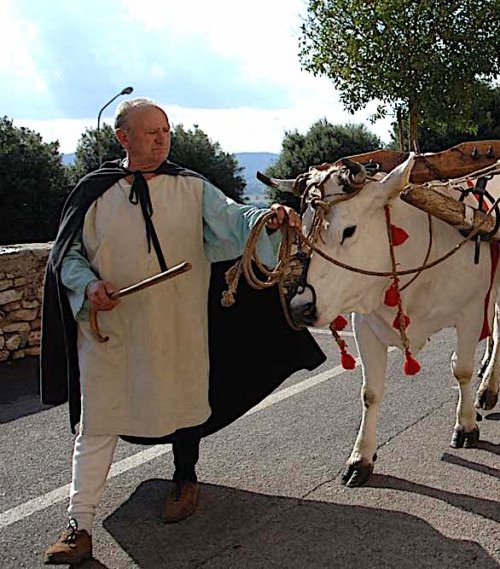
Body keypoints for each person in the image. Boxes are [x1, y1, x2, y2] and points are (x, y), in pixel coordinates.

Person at [40, 98, 326, 565]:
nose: (161, 138)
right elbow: (65, 257)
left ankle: (184, 477)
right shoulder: (93, 193)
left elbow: (236, 220)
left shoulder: (192, 188)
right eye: (150, 131)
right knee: (97, 424)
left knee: (182, 407)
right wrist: (88, 285)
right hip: (110, 330)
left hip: (179, 325)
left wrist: (266, 219)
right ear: (123, 138)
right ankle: (79, 523)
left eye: (166, 130)